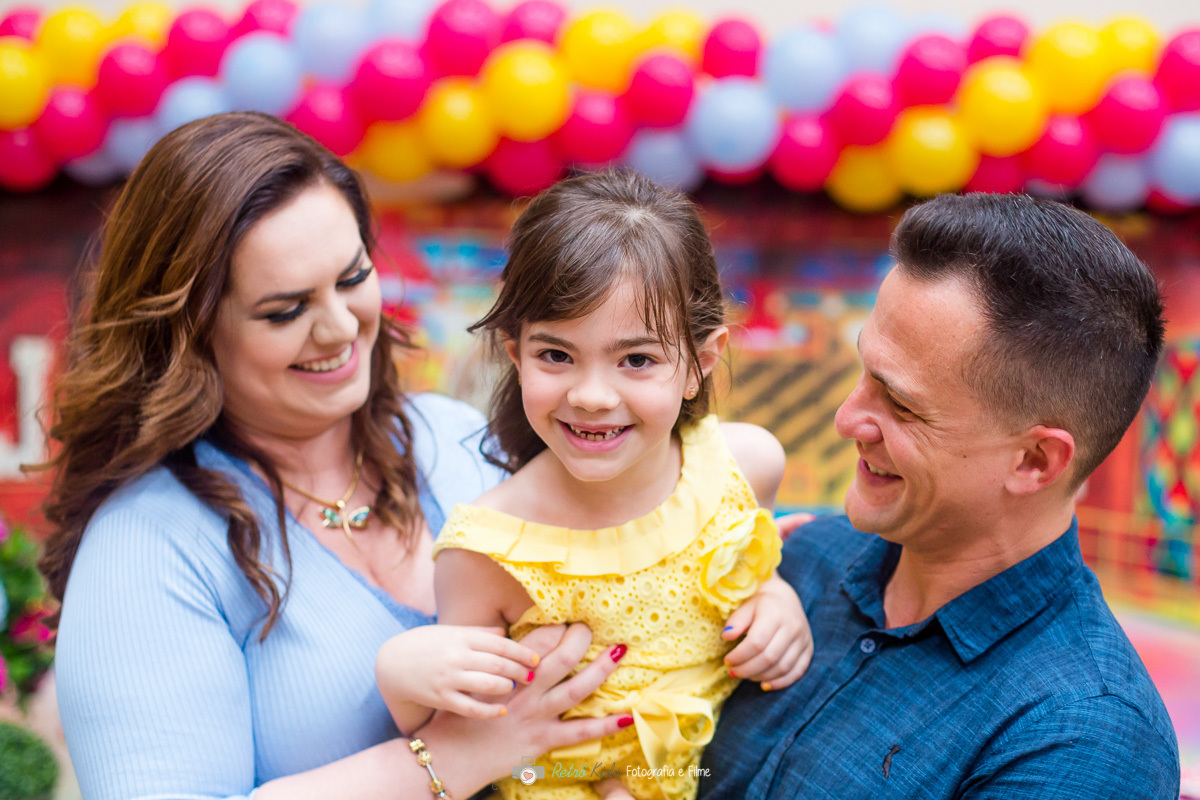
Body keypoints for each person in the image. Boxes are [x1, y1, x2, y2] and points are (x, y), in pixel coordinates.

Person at [35, 112, 636, 800]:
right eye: (285, 311)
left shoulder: (451, 440)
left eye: (352, 277)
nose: (342, 326)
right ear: (189, 333)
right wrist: (445, 759)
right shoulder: (147, 546)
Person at [698, 193, 1180, 799]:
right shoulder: (799, 560)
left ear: (1035, 461)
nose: (848, 420)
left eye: (900, 405)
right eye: (863, 373)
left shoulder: (1081, 737)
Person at [374, 170, 813, 800]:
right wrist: (402, 678)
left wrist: (776, 602)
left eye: (637, 360)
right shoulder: (489, 553)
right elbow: (457, 745)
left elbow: (753, 570)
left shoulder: (744, 467)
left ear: (701, 362)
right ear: (515, 352)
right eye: (556, 355)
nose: (592, 396)